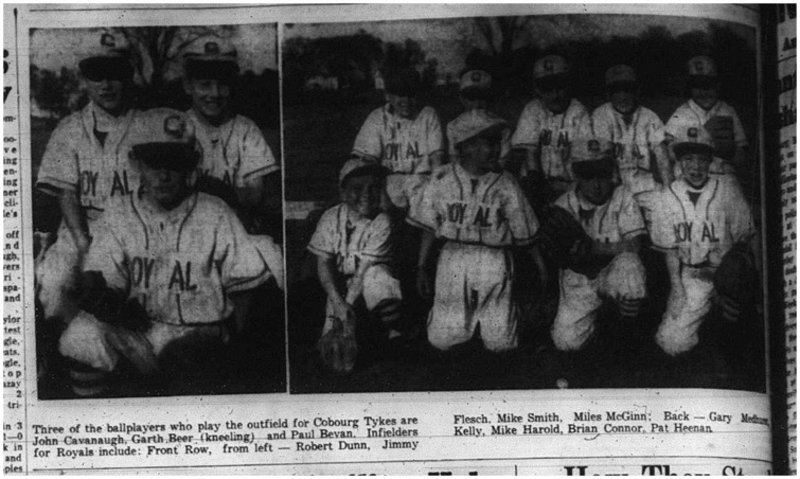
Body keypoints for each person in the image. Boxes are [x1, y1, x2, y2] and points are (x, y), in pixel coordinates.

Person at [58, 109, 276, 397]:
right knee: (80, 337)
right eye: (153, 163)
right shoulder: (119, 211)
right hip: (141, 327)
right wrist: (110, 307)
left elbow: (246, 286)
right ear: (135, 163)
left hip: (198, 333)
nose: (163, 175)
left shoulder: (215, 211)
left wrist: (233, 341)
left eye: (174, 164)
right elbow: (103, 280)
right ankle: (93, 423)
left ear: (191, 167)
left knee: (184, 364)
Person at [408, 113, 545, 354]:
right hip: (453, 257)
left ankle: (509, 317)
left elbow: (524, 230)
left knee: (501, 344)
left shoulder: (506, 183)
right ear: (467, 146)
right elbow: (428, 227)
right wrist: (421, 266)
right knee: (443, 341)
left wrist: (540, 264)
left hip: (495, 258)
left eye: (496, 143)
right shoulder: (441, 178)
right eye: (488, 144)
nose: (496, 150)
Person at [35, 31, 141, 321]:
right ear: (83, 79)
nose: (106, 85)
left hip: (132, 231)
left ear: (128, 77)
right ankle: (53, 357)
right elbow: (66, 193)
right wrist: (84, 246)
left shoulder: (147, 125)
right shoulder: (69, 129)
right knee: (57, 286)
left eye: (115, 74)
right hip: (79, 229)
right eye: (96, 75)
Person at [647, 129, 758, 356]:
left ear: (711, 161)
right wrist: (676, 290)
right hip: (693, 275)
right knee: (670, 343)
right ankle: (707, 318)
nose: (695, 167)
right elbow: (669, 250)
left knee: (740, 332)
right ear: (679, 162)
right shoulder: (668, 195)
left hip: (728, 273)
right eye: (688, 159)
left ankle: (728, 329)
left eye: (701, 159)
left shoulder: (727, 189)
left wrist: (749, 277)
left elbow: (747, 236)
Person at [548, 138, 648, 352]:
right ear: (576, 176)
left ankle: (627, 334)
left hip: (614, 272)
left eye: (601, 175)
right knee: (566, 343)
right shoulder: (564, 205)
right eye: (588, 176)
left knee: (630, 265)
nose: (596, 184)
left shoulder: (622, 196)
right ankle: (597, 327)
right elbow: (561, 256)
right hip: (580, 278)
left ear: (611, 172)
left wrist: (594, 248)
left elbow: (635, 246)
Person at [308, 159, 403, 373]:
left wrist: (347, 309)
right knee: (333, 353)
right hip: (340, 283)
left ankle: (390, 332)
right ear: (343, 192)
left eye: (373, 187)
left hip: (368, 281)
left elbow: (362, 271)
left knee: (378, 278)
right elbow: (323, 264)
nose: (366, 194)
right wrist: (338, 304)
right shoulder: (331, 217)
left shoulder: (382, 220)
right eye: (357, 188)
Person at [182, 37, 281, 234]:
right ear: (187, 86)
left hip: (237, 233)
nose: (215, 93)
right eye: (204, 84)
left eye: (223, 85)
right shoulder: (175, 127)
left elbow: (255, 194)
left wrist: (212, 190)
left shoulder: (245, 129)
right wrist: (233, 194)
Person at [352, 67, 445, 213]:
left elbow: (436, 160)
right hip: (387, 182)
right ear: (388, 96)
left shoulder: (427, 114)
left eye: (411, 95)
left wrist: (435, 194)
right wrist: (381, 193)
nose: (406, 101)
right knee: (352, 167)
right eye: (399, 95)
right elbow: (367, 162)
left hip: (421, 182)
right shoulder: (377, 117)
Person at [510, 54, 593, 206]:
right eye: (547, 88)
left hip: (570, 188)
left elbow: (584, 160)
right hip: (536, 185)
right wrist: (537, 190)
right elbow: (529, 154)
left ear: (568, 85)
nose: (555, 94)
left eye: (560, 86)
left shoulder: (579, 112)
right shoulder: (533, 109)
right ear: (537, 89)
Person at [591, 64, 671, 194]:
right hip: (615, 186)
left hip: (645, 183)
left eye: (627, 90)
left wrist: (670, 192)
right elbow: (605, 159)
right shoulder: (600, 115)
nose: (623, 97)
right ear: (608, 94)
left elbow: (663, 160)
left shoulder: (650, 116)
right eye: (616, 91)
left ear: (636, 91)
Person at [664, 55, 748, 175]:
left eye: (709, 85)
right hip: (689, 175)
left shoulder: (728, 111)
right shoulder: (682, 113)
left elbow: (741, 154)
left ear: (718, 85)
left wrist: (732, 150)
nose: (703, 92)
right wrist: (702, 137)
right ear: (690, 88)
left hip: (722, 174)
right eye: (697, 86)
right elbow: (669, 151)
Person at [446, 69, 511, 168]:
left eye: (482, 97)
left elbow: (502, 164)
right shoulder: (453, 126)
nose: (477, 104)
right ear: (462, 99)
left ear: (489, 99)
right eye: (471, 98)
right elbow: (454, 164)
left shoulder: (501, 126)